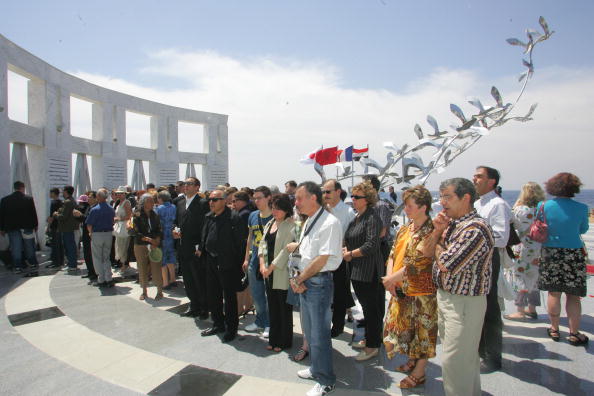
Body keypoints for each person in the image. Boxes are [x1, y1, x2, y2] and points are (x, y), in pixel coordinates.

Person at [424, 178, 494, 396]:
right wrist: (436, 233)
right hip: (447, 298)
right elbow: (426, 252)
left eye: (448, 197)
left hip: (464, 304)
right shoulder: (452, 225)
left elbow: (445, 263)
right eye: (441, 196)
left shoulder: (476, 229)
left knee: (455, 362)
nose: (442, 202)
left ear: (466, 198)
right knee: (464, 360)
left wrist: (438, 247)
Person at [382, 185, 437, 389]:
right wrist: (390, 277)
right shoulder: (406, 229)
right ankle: (413, 361)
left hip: (422, 292)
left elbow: (418, 263)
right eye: (405, 205)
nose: (406, 209)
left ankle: (420, 372)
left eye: (410, 205)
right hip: (400, 289)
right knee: (407, 329)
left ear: (424, 207)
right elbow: (393, 254)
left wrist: (392, 279)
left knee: (423, 332)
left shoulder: (430, 231)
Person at [291, 181, 343, 396]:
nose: (296, 202)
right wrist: (298, 278)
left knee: (320, 334)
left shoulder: (329, 222)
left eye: (300, 198)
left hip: (318, 283)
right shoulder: (311, 220)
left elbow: (322, 259)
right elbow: (305, 253)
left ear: (314, 198)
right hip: (306, 281)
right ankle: (316, 369)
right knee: (310, 331)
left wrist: (300, 278)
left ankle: (326, 380)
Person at [537, 172, 589, 345]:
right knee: (573, 295)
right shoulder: (582, 208)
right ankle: (574, 333)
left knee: (554, 292)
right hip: (573, 253)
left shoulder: (543, 206)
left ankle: (554, 329)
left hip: (550, 252)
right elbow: (582, 229)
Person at [472, 166, 510, 372]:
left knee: (490, 307)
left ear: (491, 181)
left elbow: (501, 237)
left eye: (479, 176)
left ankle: (492, 356)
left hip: (488, 258)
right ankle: (480, 350)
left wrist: (474, 238)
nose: (474, 178)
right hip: (475, 259)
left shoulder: (498, 205)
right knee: (478, 306)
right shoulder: (478, 203)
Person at [199, 189, 248, 343]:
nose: (211, 203)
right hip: (210, 261)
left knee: (229, 298)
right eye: (210, 200)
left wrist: (236, 265)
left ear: (224, 201)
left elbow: (240, 244)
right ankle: (218, 324)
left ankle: (231, 329)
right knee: (213, 295)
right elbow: (205, 235)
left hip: (227, 264)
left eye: (215, 200)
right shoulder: (209, 217)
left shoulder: (234, 218)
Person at [342, 181, 383, 361]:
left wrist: (350, 253)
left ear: (367, 199)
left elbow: (371, 245)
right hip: (357, 270)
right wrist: (345, 250)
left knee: (372, 310)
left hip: (369, 271)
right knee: (367, 309)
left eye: (356, 197)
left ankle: (373, 346)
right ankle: (369, 339)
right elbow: (349, 238)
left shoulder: (372, 217)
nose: (353, 199)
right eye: (352, 196)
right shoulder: (358, 217)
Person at [258, 194, 296, 352]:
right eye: (273, 208)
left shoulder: (291, 225)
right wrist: (262, 264)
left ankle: (284, 340)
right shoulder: (270, 224)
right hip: (267, 271)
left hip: (281, 272)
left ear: (286, 209)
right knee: (272, 306)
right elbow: (262, 245)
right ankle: (274, 339)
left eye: (278, 209)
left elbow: (285, 251)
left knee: (283, 308)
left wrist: (270, 268)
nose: (275, 211)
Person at [505, 182, 546, 320]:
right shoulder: (542, 209)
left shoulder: (521, 209)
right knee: (534, 277)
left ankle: (520, 310)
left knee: (520, 276)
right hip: (538, 246)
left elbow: (513, 223)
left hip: (523, 246)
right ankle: (532, 308)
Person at [322, 179, 356, 338]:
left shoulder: (347, 212)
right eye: (323, 192)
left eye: (328, 191)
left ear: (338, 192)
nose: (325, 195)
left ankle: (338, 326)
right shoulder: (322, 210)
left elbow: (351, 237)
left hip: (340, 259)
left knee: (340, 294)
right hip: (322, 258)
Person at [173, 177, 210, 319]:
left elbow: (205, 226)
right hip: (182, 246)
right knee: (188, 279)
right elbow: (175, 221)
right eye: (185, 184)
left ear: (197, 187)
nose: (186, 186)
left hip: (196, 248)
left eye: (190, 184)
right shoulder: (180, 202)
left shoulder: (203, 203)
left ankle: (204, 308)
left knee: (199, 279)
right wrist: (173, 230)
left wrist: (201, 246)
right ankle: (193, 305)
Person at [243, 186, 273, 336]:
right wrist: (246, 258)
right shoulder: (253, 215)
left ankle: (270, 323)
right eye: (254, 198)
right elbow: (250, 237)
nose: (256, 201)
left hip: (270, 261)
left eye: (259, 197)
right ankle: (260, 321)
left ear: (268, 198)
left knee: (269, 295)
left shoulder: (275, 216)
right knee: (256, 294)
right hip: (254, 260)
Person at [0, 181, 39, 274]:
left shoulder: (5, 200)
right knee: (29, 246)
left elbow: (2, 215)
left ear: (14, 188)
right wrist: (35, 225)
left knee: (15, 247)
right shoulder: (29, 199)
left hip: (12, 227)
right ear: (23, 188)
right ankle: (33, 263)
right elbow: (33, 213)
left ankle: (17, 266)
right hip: (27, 227)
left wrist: (2, 228)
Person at [133, 193, 163, 300]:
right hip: (141, 245)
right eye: (149, 201)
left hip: (154, 245)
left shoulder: (155, 215)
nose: (152, 203)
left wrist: (157, 241)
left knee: (156, 268)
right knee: (142, 268)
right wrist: (149, 240)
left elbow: (159, 229)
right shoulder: (137, 214)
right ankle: (144, 291)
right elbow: (136, 231)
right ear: (143, 202)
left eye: (152, 201)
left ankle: (159, 291)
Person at [85, 188, 115, 287]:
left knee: (97, 257)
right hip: (108, 234)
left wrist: (90, 233)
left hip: (97, 234)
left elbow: (89, 224)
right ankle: (109, 278)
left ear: (98, 197)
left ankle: (101, 279)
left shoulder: (94, 209)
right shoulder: (111, 208)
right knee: (106, 256)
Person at [54, 185, 79, 273]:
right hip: (69, 227)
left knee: (69, 246)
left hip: (67, 228)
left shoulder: (68, 202)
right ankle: (71, 264)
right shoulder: (72, 201)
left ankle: (72, 264)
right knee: (70, 246)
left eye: (63, 191)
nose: (62, 193)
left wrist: (56, 215)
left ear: (66, 192)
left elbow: (63, 216)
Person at [155, 190, 177, 289]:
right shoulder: (173, 207)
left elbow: (156, 223)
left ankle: (165, 282)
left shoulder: (159, 209)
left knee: (162, 259)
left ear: (160, 198)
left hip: (162, 235)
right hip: (171, 234)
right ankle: (173, 279)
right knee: (171, 257)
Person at [74, 192, 97, 284]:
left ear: (95, 198)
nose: (88, 198)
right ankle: (90, 271)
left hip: (91, 233)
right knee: (87, 254)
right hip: (85, 233)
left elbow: (89, 220)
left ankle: (94, 273)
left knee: (91, 254)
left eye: (90, 197)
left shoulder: (95, 208)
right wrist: (78, 216)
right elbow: (84, 220)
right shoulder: (89, 207)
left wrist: (80, 215)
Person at [113, 186, 132, 276]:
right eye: (118, 193)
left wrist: (119, 218)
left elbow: (129, 216)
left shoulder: (126, 203)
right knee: (119, 245)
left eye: (121, 193)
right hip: (119, 226)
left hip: (124, 226)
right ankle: (122, 264)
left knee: (124, 246)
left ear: (125, 194)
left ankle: (124, 265)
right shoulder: (119, 202)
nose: (119, 195)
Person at [47, 187, 64, 268]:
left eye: (50, 193)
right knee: (59, 244)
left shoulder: (53, 203)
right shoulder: (61, 202)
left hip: (54, 226)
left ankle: (55, 262)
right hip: (60, 226)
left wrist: (48, 227)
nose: (49, 194)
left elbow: (52, 216)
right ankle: (60, 261)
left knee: (54, 244)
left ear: (53, 193)